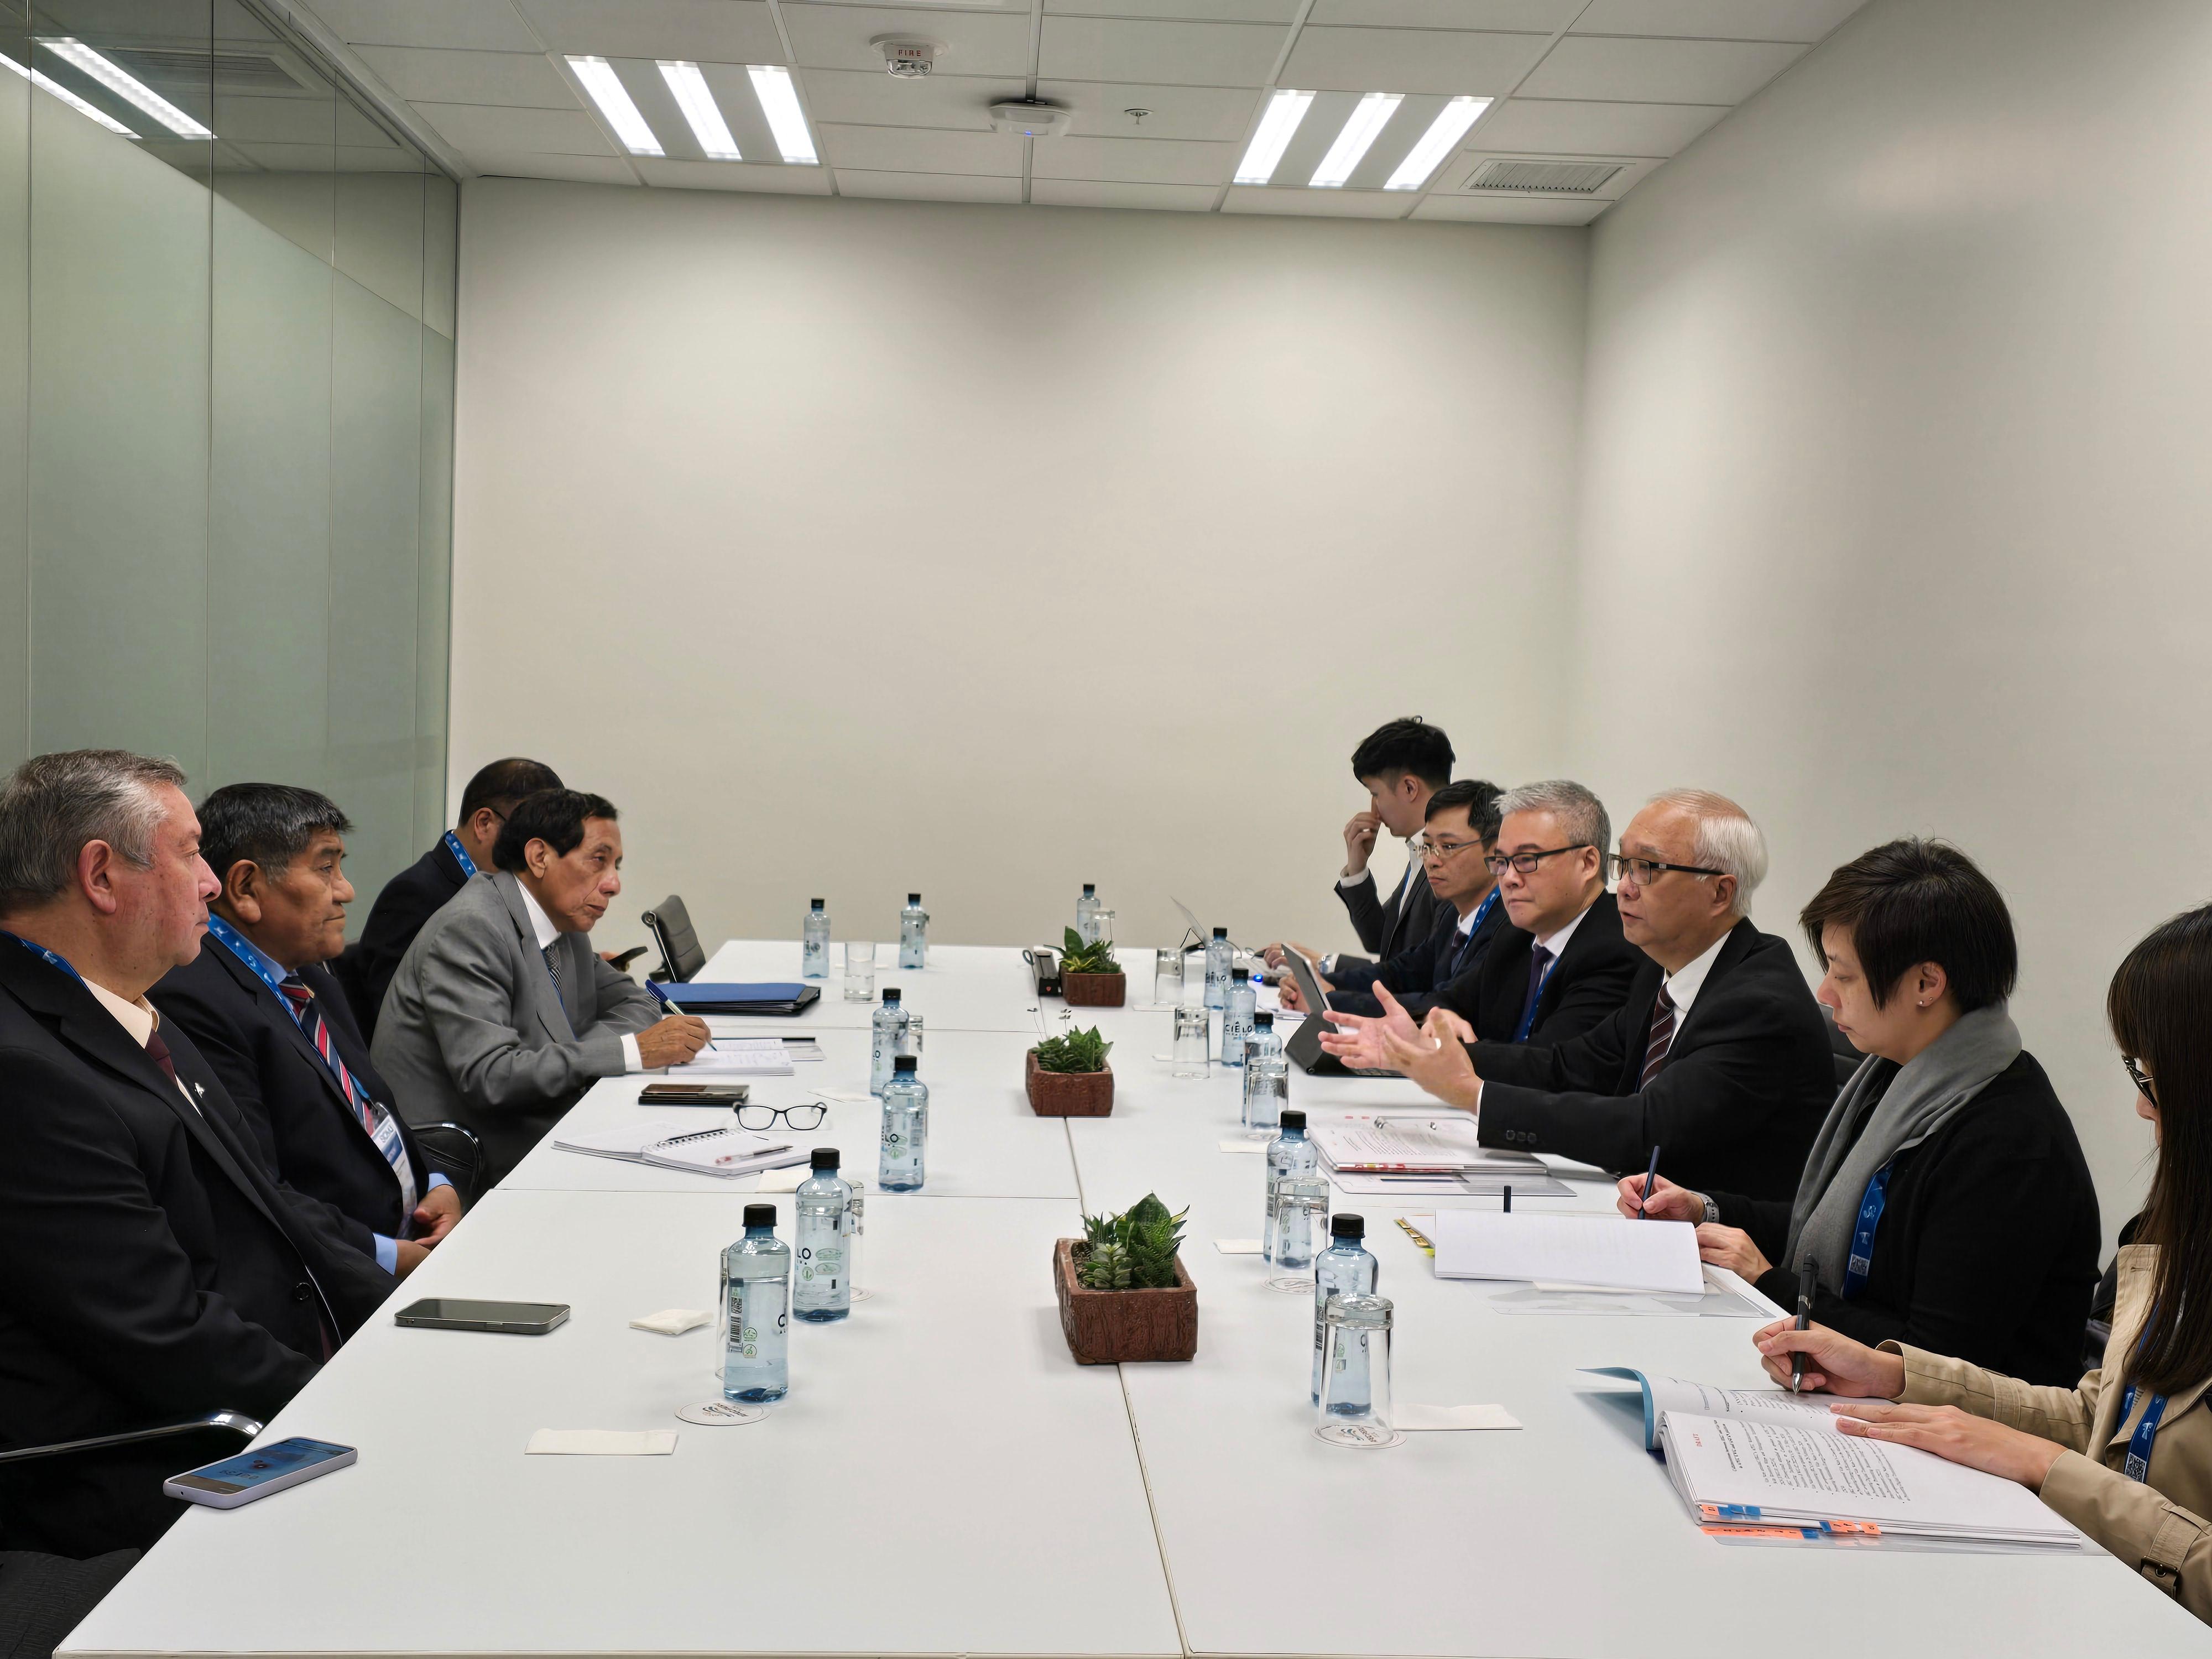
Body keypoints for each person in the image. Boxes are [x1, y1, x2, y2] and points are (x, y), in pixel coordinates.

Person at [1757, 902, 2212, 1624]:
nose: (2141, 1109)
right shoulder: (2177, 1235)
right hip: (2103, 1586)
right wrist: (1898, 1375)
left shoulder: (2009, 1137)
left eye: (2151, 1074)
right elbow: (2106, 1417)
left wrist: (2046, 1467)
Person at [0, 752, 393, 1558]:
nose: (212, 883)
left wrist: (403, 1325)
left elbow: (275, 1206)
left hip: (263, 1384)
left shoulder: (132, 1006)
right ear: (102, 876)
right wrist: (354, 1404)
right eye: (189, 853)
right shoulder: (24, 1070)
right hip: (159, 1456)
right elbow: (161, 1331)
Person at [1623, 839, 2098, 1384]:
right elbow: (1831, 1230)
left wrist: (1768, 1280)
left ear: (1925, 984)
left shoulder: (2007, 1141)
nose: (1824, 994)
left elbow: (1937, 1361)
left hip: (1963, 1441)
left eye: (1842, 975)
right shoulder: (1898, 1076)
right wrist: (1705, 1210)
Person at [1319, 789, 1833, 1199]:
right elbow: (1572, 1066)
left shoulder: (1758, 1002)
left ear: (1720, 892)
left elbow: (1646, 1126)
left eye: (1647, 869)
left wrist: (1473, 1094)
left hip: (1727, 1262)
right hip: (1640, 1214)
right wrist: (1429, 1055)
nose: (1625, 887)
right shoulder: (1666, 970)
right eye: (1624, 865)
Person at [153, 784, 461, 1280]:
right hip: (334, 1274)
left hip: (407, 1235)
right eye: (325, 867)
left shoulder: (307, 970)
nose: (346, 890)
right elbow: (259, 1186)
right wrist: (387, 1257)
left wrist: (438, 1182)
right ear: (247, 888)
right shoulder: (196, 999)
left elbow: (372, 1103)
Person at [371, 788, 707, 1183]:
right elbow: (492, 1076)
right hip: (467, 1161)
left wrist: (585, 1054)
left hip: (540, 1122)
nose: (614, 884)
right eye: (598, 861)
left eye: (616, 865)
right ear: (539, 857)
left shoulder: (562, 922)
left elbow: (637, 1003)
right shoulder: (471, 928)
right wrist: (627, 1051)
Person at [341, 756, 562, 1039]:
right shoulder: (416, 896)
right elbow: (400, 1021)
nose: (539, 858)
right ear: (484, 823)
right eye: (534, 841)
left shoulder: (502, 890)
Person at [1279, 780, 1506, 1021]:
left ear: (1496, 851)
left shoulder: (1509, 926)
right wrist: (1321, 981)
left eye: (1448, 846)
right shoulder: (1452, 914)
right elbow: (1401, 973)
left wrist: (1331, 1000)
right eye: (1428, 846)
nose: (1432, 860)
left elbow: (1445, 1005)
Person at [1462, 780, 1642, 1045]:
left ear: (1588, 863)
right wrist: (1438, 1020)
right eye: (1502, 862)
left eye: (1526, 860)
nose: (1509, 878)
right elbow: (1451, 1001)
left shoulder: (1616, 949)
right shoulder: (1514, 936)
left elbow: (1549, 1063)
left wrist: (1445, 1054)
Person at [1331, 717, 1453, 967]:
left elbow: (1420, 973)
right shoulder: (1419, 851)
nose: (1373, 809)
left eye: (1376, 794)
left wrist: (1325, 964)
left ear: (1410, 788)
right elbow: (1381, 940)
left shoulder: (1448, 861)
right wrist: (1357, 869)